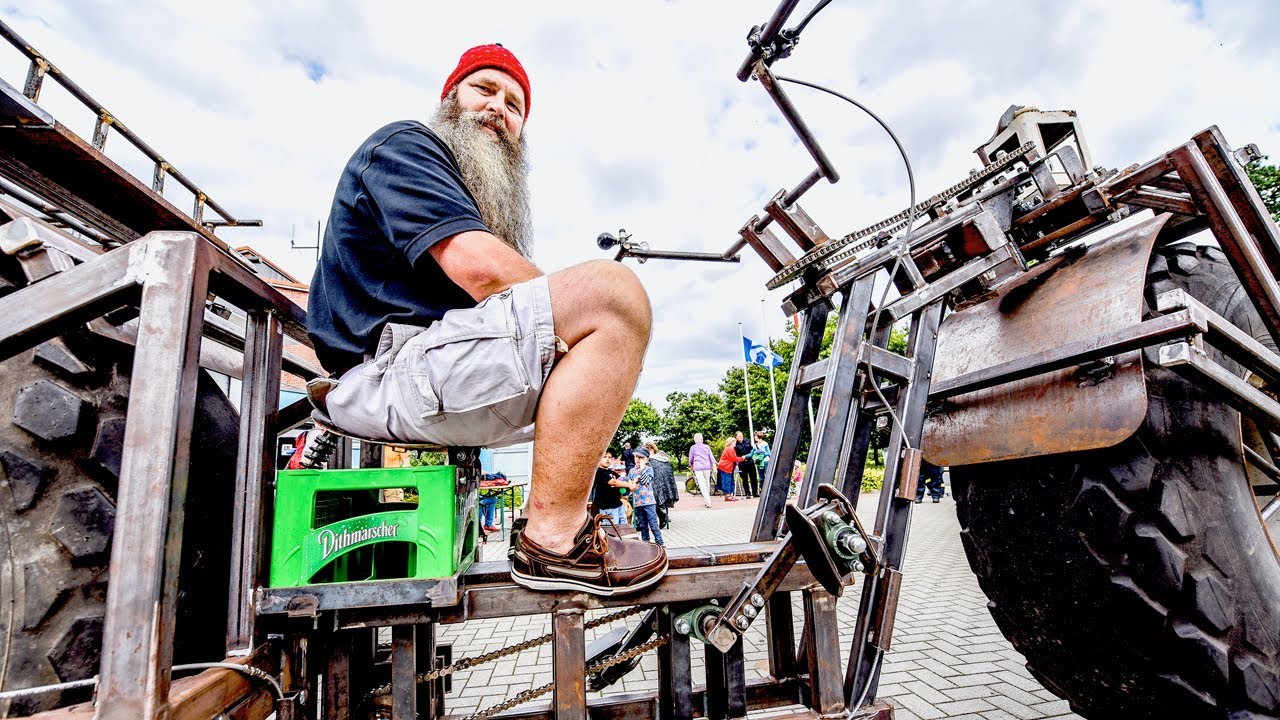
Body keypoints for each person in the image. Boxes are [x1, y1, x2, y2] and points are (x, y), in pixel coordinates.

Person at [305, 44, 666, 596]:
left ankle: (558, 525)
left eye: (515, 104)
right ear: (450, 98)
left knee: (597, 328)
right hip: (386, 372)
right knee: (612, 295)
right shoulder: (404, 147)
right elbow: (485, 272)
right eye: (485, 90)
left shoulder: (474, 193)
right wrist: (578, 323)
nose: (500, 108)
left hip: (421, 372)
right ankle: (553, 539)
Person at [627, 448, 663, 545]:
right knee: (642, 525)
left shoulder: (649, 469)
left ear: (646, 459)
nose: (638, 459)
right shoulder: (631, 471)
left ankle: (660, 542)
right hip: (638, 502)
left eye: (641, 457)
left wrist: (642, 469)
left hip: (649, 502)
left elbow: (645, 480)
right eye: (636, 457)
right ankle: (645, 543)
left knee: (653, 524)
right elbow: (629, 484)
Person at [644, 441, 679, 529]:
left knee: (647, 497)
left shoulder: (649, 461)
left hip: (656, 490)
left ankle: (645, 521)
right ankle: (662, 516)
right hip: (667, 489)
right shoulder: (663, 459)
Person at [590, 451, 627, 526]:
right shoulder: (598, 472)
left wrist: (631, 483)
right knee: (611, 529)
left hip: (618, 504)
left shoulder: (612, 472)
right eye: (604, 457)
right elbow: (613, 482)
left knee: (623, 527)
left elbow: (622, 480)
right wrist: (629, 485)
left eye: (609, 457)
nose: (607, 459)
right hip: (605, 507)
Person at [687, 433, 715, 508]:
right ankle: (707, 501)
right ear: (702, 439)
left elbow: (690, 458)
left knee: (702, 485)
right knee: (707, 483)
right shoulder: (707, 447)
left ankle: (708, 501)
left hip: (698, 468)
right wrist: (714, 465)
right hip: (707, 467)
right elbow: (711, 457)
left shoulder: (693, 448)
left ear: (694, 440)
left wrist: (691, 465)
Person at [717, 438, 746, 502]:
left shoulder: (728, 448)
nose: (735, 443)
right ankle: (728, 496)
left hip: (725, 467)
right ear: (732, 442)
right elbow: (734, 458)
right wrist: (742, 458)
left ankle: (729, 495)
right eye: (734, 442)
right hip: (725, 467)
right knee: (727, 481)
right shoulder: (730, 449)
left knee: (729, 481)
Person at [734, 431, 759, 498]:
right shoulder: (735, 445)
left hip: (750, 462)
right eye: (739, 436)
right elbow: (735, 455)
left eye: (741, 435)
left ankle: (755, 492)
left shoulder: (747, 441)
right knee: (744, 479)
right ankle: (747, 493)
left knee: (753, 478)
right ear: (736, 437)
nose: (741, 437)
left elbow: (752, 450)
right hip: (742, 464)